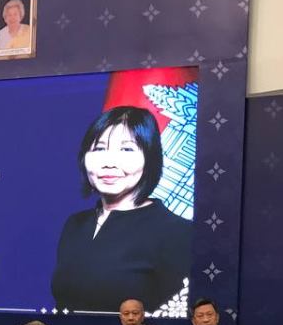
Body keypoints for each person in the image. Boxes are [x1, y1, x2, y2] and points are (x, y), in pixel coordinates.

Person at [51, 106, 192, 313]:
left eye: (126, 149)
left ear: (150, 158)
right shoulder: (75, 225)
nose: (109, 162)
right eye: (99, 149)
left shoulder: (179, 232)